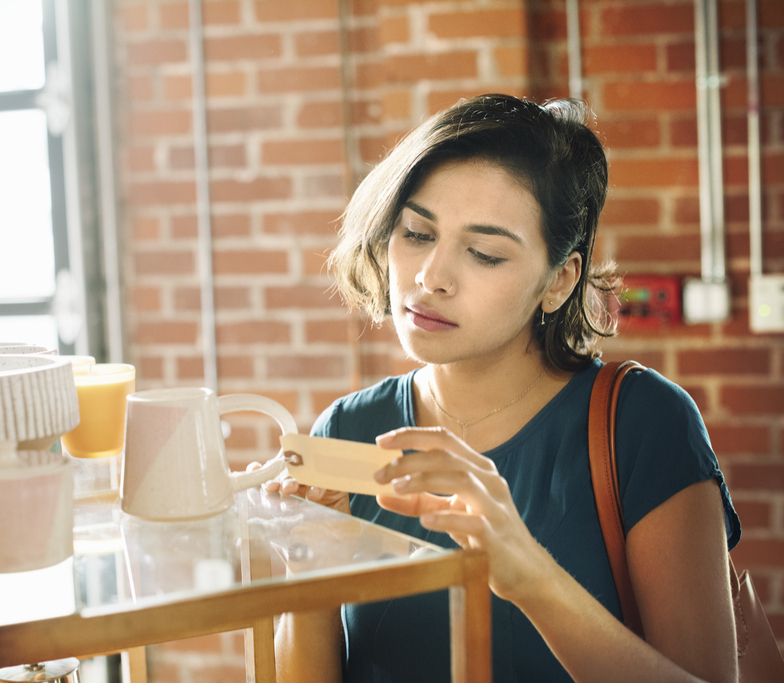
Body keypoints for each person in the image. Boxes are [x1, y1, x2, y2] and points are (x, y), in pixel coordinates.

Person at [264, 94, 741, 683]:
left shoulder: (643, 423)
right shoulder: (349, 431)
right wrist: (305, 571)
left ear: (559, 281)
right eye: (416, 232)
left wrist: (525, 572)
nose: (430, 277)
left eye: (484, 254)